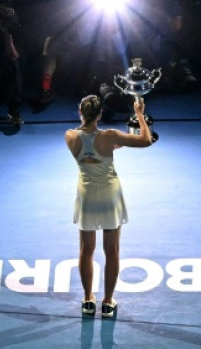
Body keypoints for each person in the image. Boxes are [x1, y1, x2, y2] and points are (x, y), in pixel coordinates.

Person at [65, 94, 153, 319]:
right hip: (109, 197)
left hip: (87, 198)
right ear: (100, 114)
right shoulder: (110, 136)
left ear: (80, 112)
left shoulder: (70, 136)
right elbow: (145, 140)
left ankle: (87, 300)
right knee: (111, 251)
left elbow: (93, 149)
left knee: (86, 251)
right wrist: (140, 115)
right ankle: (107, 302)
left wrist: (114, 144)